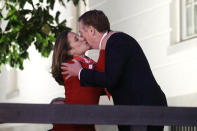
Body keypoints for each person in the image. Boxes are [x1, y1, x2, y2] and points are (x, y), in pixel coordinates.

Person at [61, 10, 167, 131]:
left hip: (143, 109)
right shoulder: (113, 42)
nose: (82, 38)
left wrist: (80, 72)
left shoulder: (117, 41)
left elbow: (110, 79)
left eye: (81, 33)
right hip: (136, 110)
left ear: (91, 30)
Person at [51, 31, 104, 131]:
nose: (82, 38)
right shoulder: (69, 66)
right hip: (71, 125)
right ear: (69, 51)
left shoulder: (88, 62)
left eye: (79, 36)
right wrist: (103, 42)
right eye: (76, 39)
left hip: (86, 123)